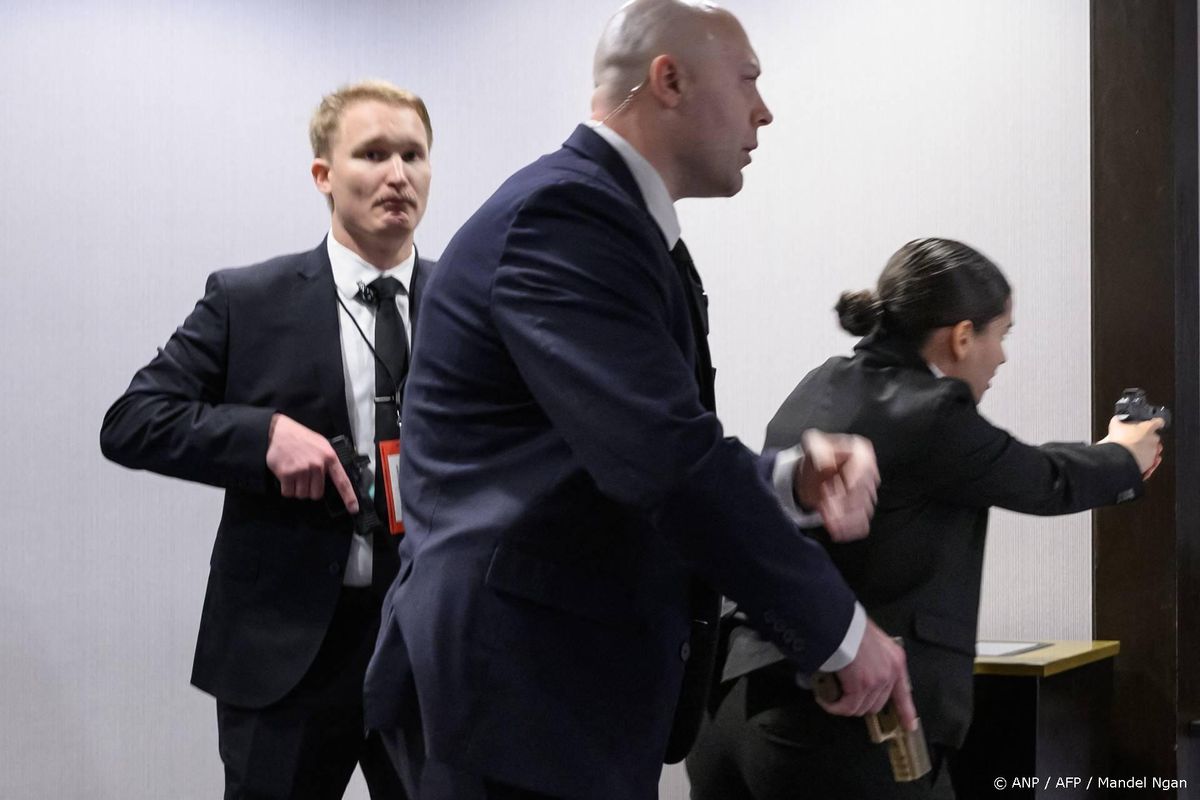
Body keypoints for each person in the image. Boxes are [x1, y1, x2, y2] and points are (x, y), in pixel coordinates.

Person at [363, 2, 917, 798]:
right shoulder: (566, 216)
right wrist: (839, 631)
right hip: (513, 695)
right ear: (669, 80)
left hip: (548, 692)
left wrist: (786, 478)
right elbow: (665, 460)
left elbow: (616, 450)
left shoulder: (608, 218)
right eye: (748, 79)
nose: (764, 110)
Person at [685, 237, 1164, 800]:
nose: (1003, 357)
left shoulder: (821, 381)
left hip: (730, 708)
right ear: (961, 337)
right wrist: (1123, 454)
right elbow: (1042, 478)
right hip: (840, 727)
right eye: (1001, 335)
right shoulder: (933, 412)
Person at [99, 80, 436, 800]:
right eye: (373, 154)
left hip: (431, 651)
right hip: (286, 656)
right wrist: (263, 437)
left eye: (413, 155)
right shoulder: (247, 300)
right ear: (323, 174)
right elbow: (132, 420)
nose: (397, 175)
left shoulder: (472, 303)